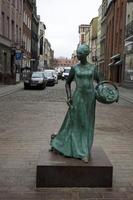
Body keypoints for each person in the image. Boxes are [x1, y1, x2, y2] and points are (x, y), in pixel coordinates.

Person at [50, 44, 100, 162]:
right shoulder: (75, 68)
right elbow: (67, 83)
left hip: (90, 98)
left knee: (87, 123)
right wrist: (69, 96)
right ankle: (82, 152)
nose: (78, 55)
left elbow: (100, 82)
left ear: (86, 54)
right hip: (78, 97)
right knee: (79, 123)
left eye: (80, 53)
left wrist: (100, 92)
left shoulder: (93, 68)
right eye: (77, 53)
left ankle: (85, 148)